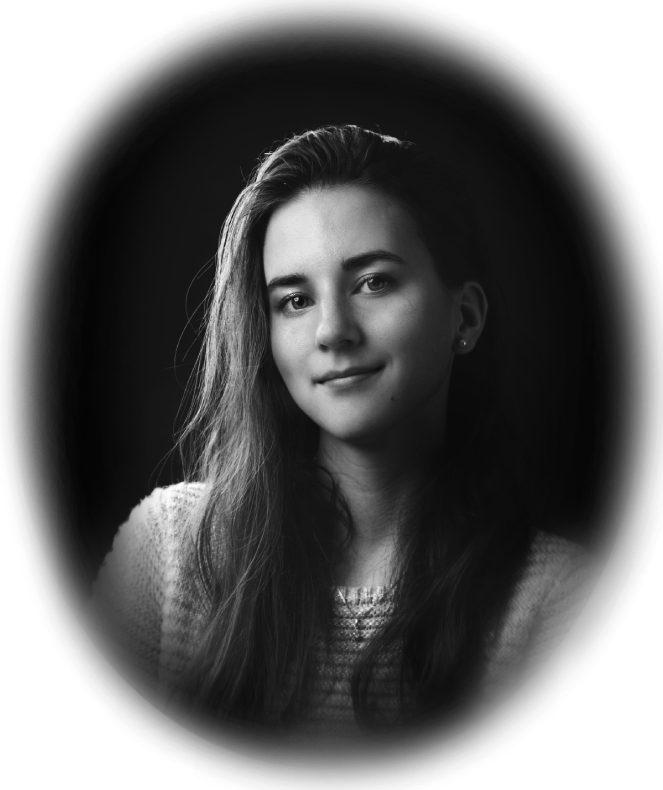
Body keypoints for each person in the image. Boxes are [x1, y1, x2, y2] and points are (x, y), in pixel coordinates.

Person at [52, 125, 635, 789]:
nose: (332, 331)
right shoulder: (169, 550)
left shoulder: (562, 602)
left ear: (465, 318)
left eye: (373, 282)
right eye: (295, 301)